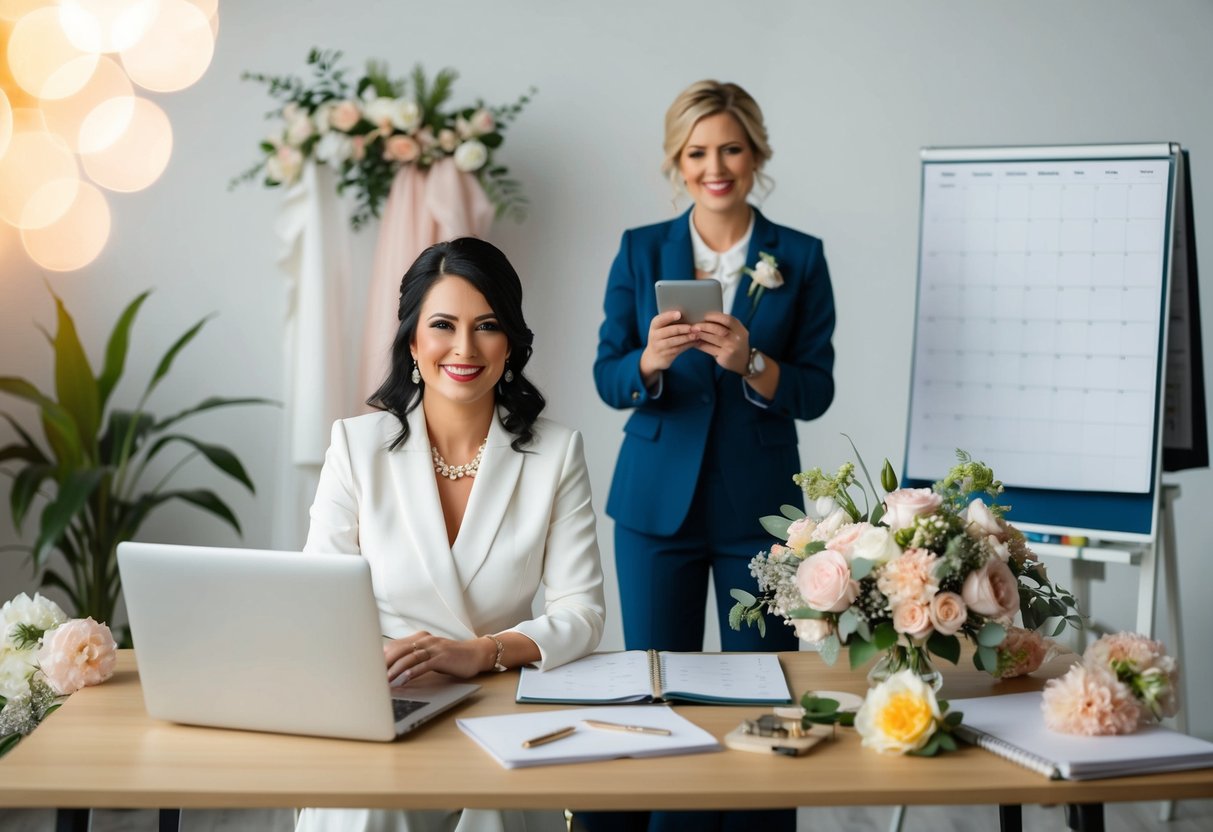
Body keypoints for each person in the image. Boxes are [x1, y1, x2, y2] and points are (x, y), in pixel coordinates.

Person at [588, 80, 836, 832]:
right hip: (653, 505)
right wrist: (647, 363)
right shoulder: (640, 249)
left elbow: (816, 388)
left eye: (729, 147)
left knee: (762, 693)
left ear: (755, 152)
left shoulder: (798, 255)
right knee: (656, 687)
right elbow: (606, 374)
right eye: (696, 152)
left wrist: (753, 364)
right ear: (677, 160)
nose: (714, 165)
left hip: (759, 511)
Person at [297, 237, 606, 832]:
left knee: (495, 806)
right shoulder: (356, 447)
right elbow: (319, 600)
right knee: (371, 805)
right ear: (413, 341)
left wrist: (481, 653)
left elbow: (583, 613)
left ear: (510, 342)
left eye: (487, 326)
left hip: (500, 698)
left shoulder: (556, 452)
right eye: (443, 325)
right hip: (384, 697)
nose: (465, 348)